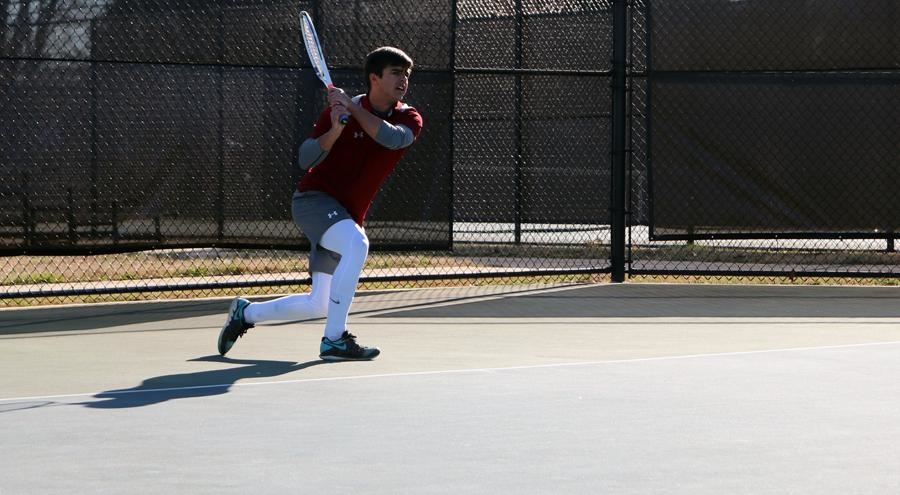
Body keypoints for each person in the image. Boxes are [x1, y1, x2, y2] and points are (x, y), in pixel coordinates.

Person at [217, 46, 423, 361]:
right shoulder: (335, 114)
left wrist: (352, 111)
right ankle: (335, 340)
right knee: (357, 244)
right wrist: (336, 130)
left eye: (406, 74)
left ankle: (245, 314)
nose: (403, 80)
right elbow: (305, 158)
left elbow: (392, 139)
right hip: (314, 201)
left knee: (320, 303)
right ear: (374, 78)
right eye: (396, 73)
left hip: (346, 215)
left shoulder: (409, 117)